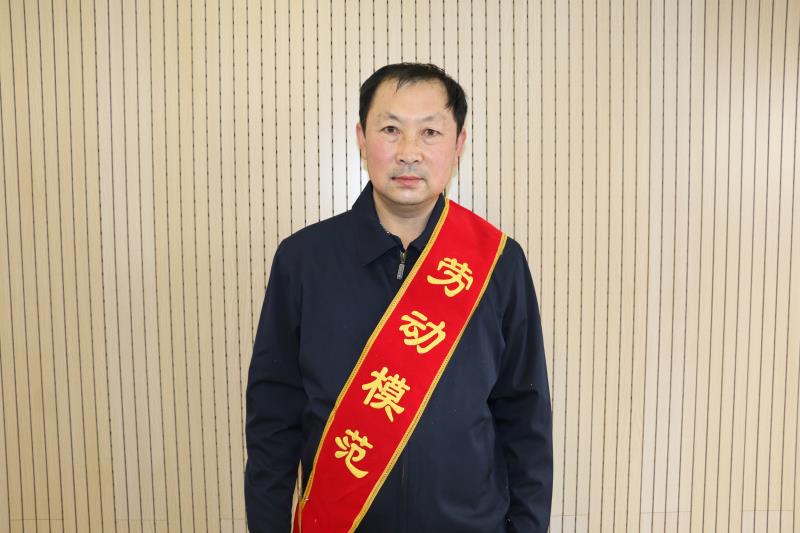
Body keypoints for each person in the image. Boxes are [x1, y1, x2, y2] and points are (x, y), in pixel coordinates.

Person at [245, 62, 552, 533]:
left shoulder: (498, 262)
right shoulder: (302, 260)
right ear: (361, 138)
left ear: (458, 145)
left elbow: (525, 417)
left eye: (430, 132)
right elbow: (273, 418)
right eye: (391, 129)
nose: (409, 152)